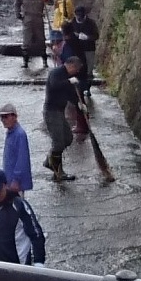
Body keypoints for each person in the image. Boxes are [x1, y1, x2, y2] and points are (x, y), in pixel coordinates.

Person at [42, 50, 87, 183]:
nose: (77, 72)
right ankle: (58, 172)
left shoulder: (69, 78)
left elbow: (71, 95)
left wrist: (79, 104)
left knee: (68, 138)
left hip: (60, 112)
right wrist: (69, 81)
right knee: (58, 143)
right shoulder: (56, 73)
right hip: (51, 112)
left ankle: (49, 161)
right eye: (77, 69)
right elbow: (55, 86)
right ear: (71, 66)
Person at [0, 103, 32, 194]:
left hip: (16, 184)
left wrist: (16, 180)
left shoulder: (19, 134)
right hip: (9, 182)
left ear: (14, 117)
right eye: (1, 117)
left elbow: (22, 159)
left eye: (6, 116)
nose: (3, 120)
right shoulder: (11, 133)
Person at [17, 0, 49, 72]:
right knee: (26, 41)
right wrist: (18, 15)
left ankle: (45, 62)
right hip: (27, 20)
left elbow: (51, 3)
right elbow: (16, 5)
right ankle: (25, 63)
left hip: (38, 19)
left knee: (41, 40)